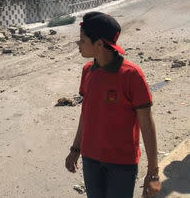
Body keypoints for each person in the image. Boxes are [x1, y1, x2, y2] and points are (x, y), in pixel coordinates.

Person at [65, 12, 161, 198]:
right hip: (91, 159)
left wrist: (153, 172)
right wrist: (76, 149)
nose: (78, 44)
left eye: (82, 40)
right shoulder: (88, 72)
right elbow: (86, 114)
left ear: (99, 44)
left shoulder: (132, 76)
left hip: (121, 164)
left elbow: (147, 125)